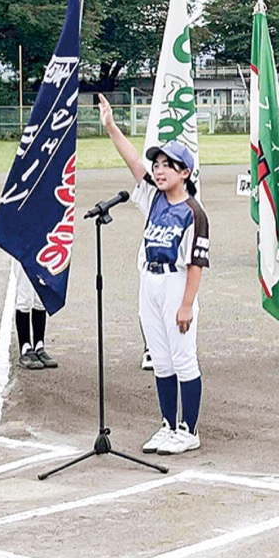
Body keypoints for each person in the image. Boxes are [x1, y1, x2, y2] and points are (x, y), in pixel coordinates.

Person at [98, 95, 207, 455]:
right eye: (157, 165)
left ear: (185, 173)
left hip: (177, 284)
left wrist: (187, 305)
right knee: (160, 358)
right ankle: (167, 424)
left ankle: (188, 429)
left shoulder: (193, 212)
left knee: (182, 357)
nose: (159, 171)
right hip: (150, 281)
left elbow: (195, 263)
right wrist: (112, 127)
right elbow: (133, 162)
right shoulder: (153, 199)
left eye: (168, 166)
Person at [13, 261, 56, 369]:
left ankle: (39, 346)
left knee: (40, 297)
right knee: (25, 296)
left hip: (43, 247)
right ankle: (25, 347)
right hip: (23, 248)